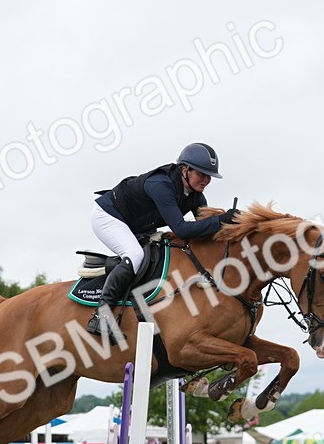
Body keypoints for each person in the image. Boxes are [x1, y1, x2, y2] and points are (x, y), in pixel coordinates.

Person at [87, 143, 237, 337]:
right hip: (109, 216)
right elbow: (181, 229)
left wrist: (233, 225)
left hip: (139, 224)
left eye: (209, 176)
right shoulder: (161, 185)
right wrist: (220, 220)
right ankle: (101, 316)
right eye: (202, 174)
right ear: (185, 170)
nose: (206, 180)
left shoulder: (195, 196)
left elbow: (203, 231)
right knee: (135, 255)